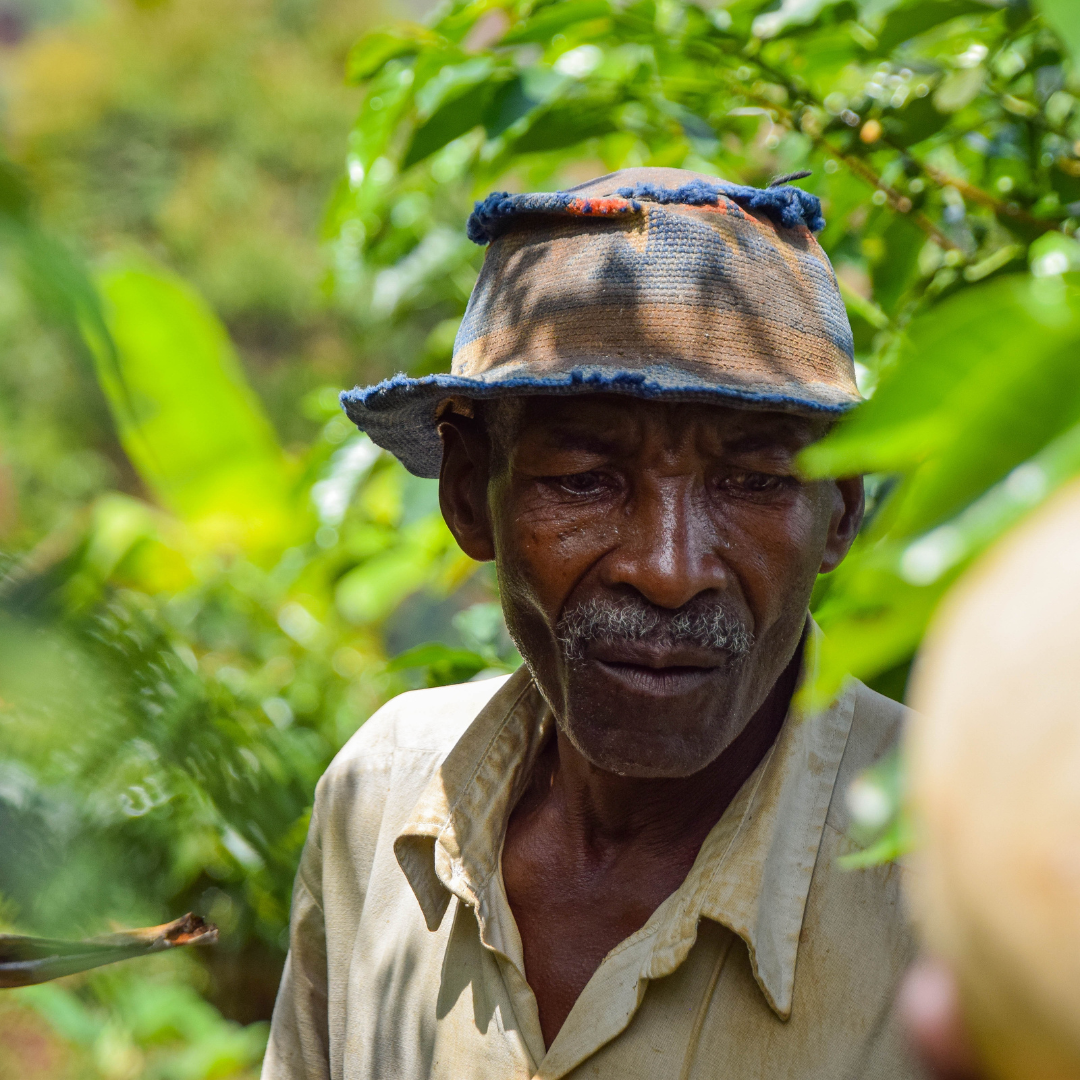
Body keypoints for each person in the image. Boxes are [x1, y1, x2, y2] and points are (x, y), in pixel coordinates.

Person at [262, 167, 922, 1079]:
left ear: (840, 513)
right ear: (469, 494)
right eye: (584, 479)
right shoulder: (378, 803)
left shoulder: (976, 874)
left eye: (755, 481)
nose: (668, 569)